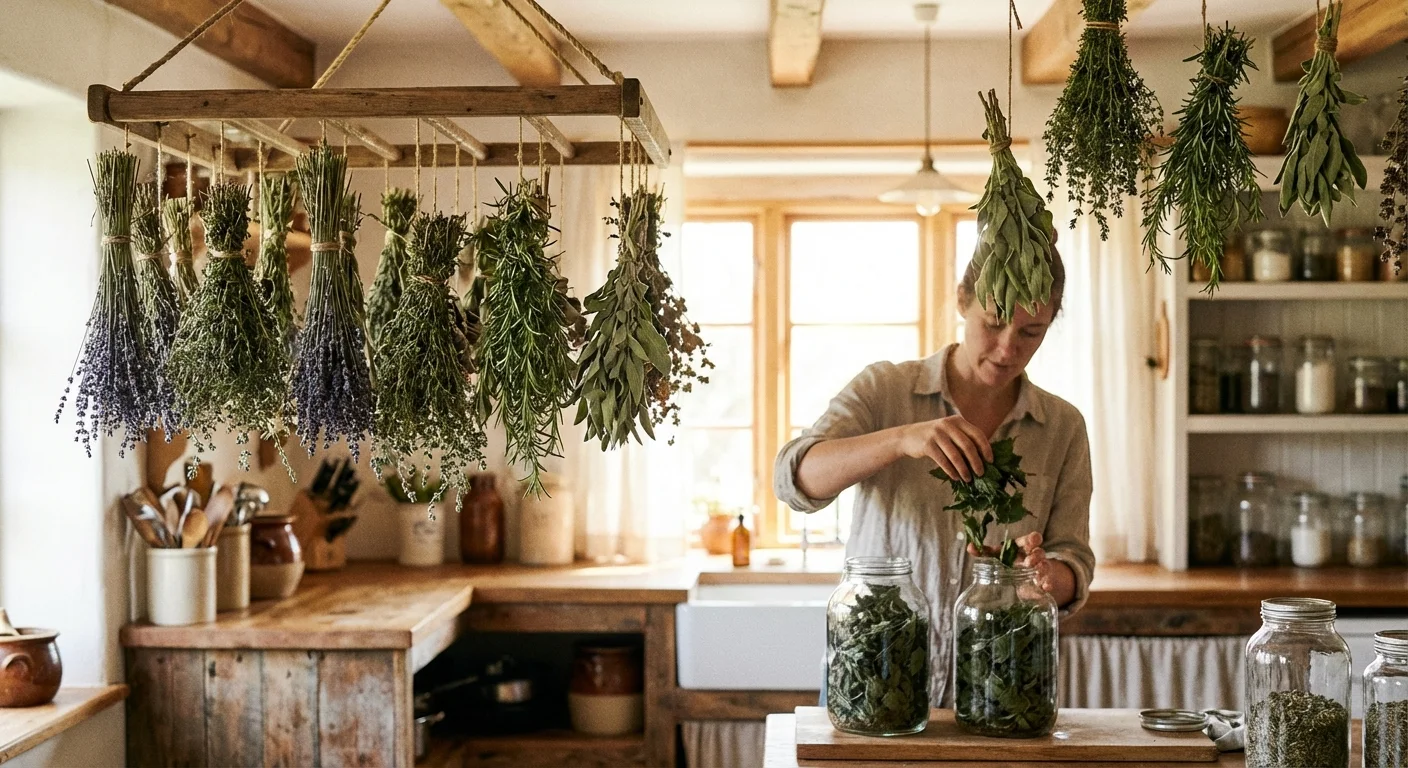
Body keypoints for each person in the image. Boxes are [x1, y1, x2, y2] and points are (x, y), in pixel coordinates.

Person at [774, 249, 1094, 707]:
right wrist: (900, 439)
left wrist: (1045, 576)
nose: (1008, 348)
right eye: (994, 322)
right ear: (963, 301)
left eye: (1031, 332)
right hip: (873, 677)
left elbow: (1074, 561)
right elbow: (795, 477)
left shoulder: (1062, 426)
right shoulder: (883, 390)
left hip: (996, 689)